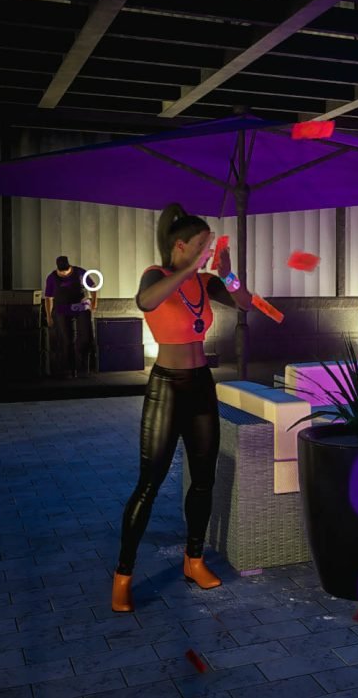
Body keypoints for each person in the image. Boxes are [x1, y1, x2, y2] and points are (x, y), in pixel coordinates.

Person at [111, 203, 253, 613]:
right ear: (180, 246)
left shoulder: (206, 282)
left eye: (210, 247)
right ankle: (123, 575)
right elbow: (146, 301)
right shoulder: (156, 275)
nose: (207, 252)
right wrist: (188, 269)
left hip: (201, 385)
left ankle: (194, 559)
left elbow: (245, 302)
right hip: (166, 387)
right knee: (149, 482)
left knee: (204, 478)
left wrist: (227, 272)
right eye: (202, 246)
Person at [44, 255, 97, 378]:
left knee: (85, 336)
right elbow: (48, 298)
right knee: (67, 339)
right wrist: (49, 316)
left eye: (66, 271)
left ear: (70, 267)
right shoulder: (52, 278)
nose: (64, 274)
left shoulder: (80, 272)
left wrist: (94, 303)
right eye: (61, 272)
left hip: (81, 306)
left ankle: (84, 366)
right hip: (62, 309)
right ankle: (71, 369)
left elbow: (93, 287)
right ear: (57, 269)